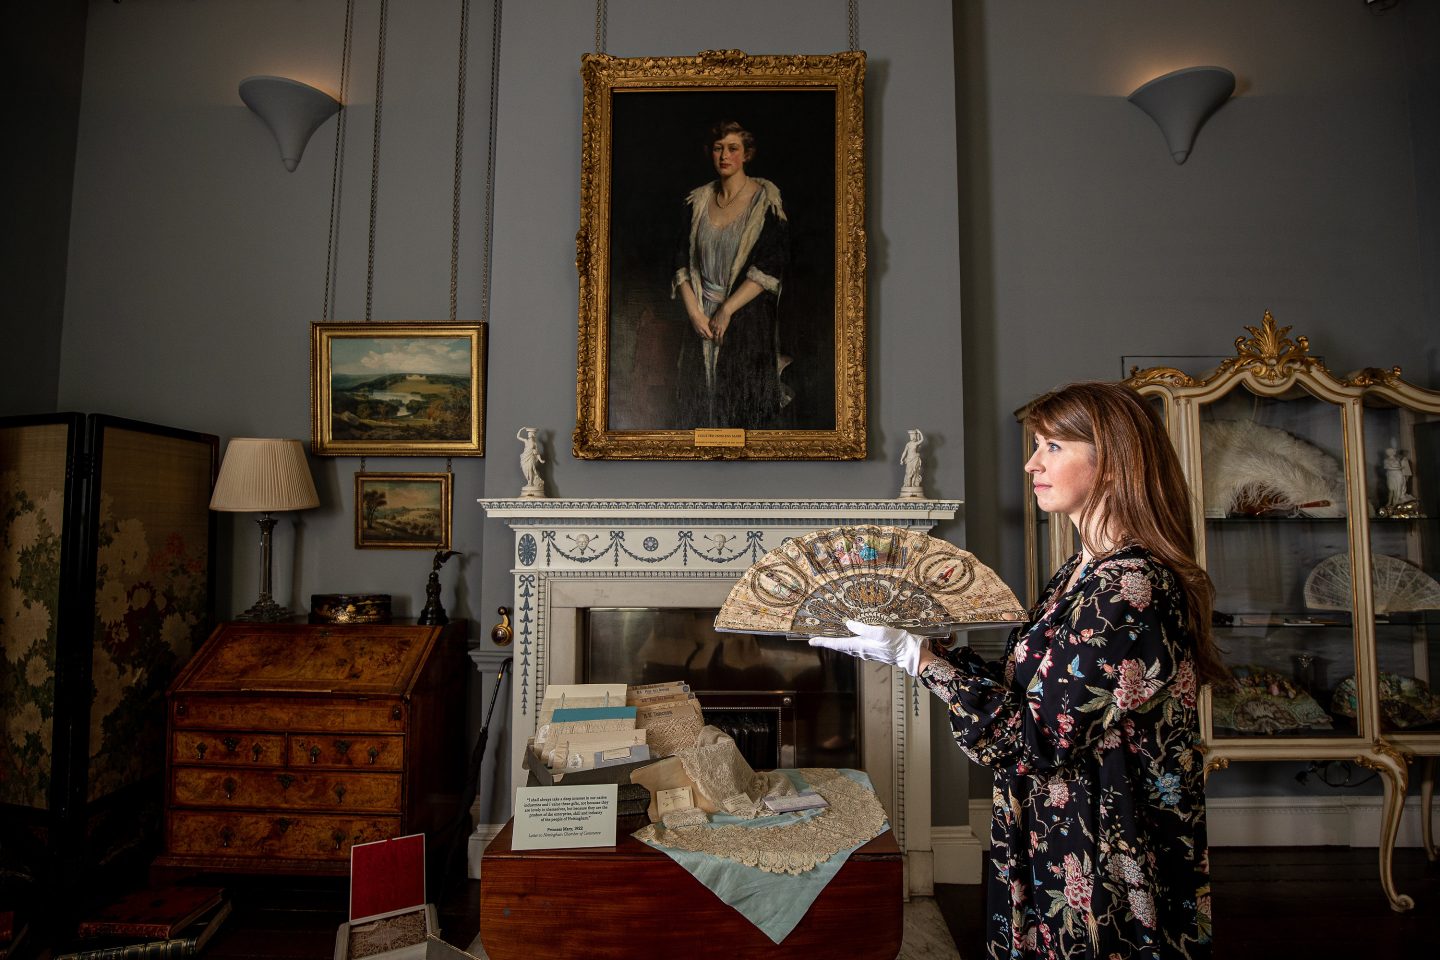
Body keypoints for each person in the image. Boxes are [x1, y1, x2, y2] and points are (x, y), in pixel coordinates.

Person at [811, 381, 1226, 959]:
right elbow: (1030, 691)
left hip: (1104, 844)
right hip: (1063, 826)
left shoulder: (1131, 586)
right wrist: (923, 649)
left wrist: (917, 659)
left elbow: (1040, 736)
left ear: (1112, 462)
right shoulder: (1083, 572)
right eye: (1036, 446)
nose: (1032, 463)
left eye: (1053, 446)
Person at [671, 120, 789, 429]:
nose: (725, 156)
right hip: (701, 316)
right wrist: (695, 312)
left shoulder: (766, 201)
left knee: (742, 403)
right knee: (699, 407)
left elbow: (769, 265)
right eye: (718, 148)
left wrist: (727, 309)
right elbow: (680, 261)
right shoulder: (697, 201)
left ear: (747, 154)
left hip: (744, 316)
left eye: (733, 148)